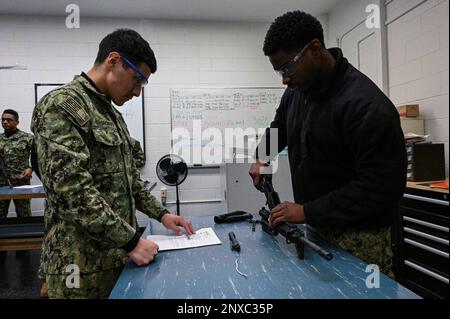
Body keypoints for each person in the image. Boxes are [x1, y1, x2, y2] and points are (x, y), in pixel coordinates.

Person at [31, 28, 195, 299]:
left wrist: (161, 215)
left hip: (117, 257)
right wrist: (131, 241)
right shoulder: (61, 105)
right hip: (78, 266)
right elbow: (71, 190)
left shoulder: (111, 114)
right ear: (114, 60)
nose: (138, 91)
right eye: (137, 79)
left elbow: (130, 180)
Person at [249, 11, 407, 277]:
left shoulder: (367, 106)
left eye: (287, 67)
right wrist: (262, 156)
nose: (284, 79)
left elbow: (380, 188)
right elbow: (280, 127)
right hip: (318, 227)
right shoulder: (297, 92)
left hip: (363, 239)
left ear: (314, 48)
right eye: (279, 70)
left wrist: (307, 211)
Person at [0, 109, 34, 218]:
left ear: (17, 122)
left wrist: (31, 168)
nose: (5, 122)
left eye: (9, 120)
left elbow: (38, 156)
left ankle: (27, 235)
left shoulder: (28, 138)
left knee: (24, 215)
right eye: (3, 120)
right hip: (1, 183)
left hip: (21, 182)